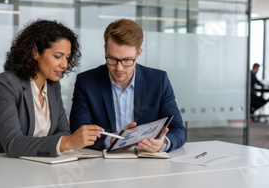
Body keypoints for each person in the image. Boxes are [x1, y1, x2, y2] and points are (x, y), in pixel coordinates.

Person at [0, 19, 104, 158]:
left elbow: (63, 131)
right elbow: (13, 143)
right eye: (58, 56)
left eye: (67, 57)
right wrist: (65, 143)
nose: (65, 64)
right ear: (35, 52)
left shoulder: (53, 87)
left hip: (33, 165)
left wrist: (62, 141)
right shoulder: (5, 84)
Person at [69, 19, 186, 153]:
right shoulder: (86, 82)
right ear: (105, 49)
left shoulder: (158, 81)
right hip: (102, 164)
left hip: (147, 163)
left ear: (139, 54)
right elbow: (78, 130)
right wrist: (111, 141)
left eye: (127, 60)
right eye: (112, 59)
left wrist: (162, 143)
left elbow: (178, 129)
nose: (119, 68)